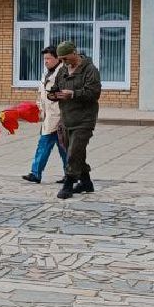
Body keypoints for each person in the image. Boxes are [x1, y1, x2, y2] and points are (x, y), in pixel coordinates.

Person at [51, 40, 101, 200]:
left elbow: (94, 93)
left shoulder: (90, 70)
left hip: (84, 119)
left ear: (74, 52)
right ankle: (86, 182)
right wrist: (53, 94)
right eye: (61, 59)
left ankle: (68, 184)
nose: (63, 62)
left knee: (73, 153)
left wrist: (73, 94)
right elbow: (56, 88)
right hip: (66, 118)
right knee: (75, 151)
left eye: (66, 58)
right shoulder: (62, 71)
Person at [23, 45, 69, 185]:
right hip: (49, 116)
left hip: (58, 116)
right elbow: (42, 94)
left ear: (57, 58)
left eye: (49, 58)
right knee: (62, 148)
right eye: (44, 58)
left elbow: (64, 94)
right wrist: (38, 109)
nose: (46, 61)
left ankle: (36, 173)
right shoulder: (47, 73)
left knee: (47, 145)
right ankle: (70, 174)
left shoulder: (63, 73)